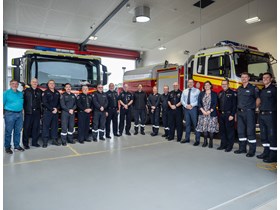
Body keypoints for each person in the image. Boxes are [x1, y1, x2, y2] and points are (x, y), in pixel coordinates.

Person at [234, 72, 260, 157]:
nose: (244, 79)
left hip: (249, 112)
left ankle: (252, 151)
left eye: (245, 77)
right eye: (242, 77)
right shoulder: (239, 88)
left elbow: (258, 99)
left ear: (248, 78)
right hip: (240, 112)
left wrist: (254, 108)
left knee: (250, 131)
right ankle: (242, 148)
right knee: (240, 131)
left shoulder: (253, 88)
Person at [257, 73, 277, 163]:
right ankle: (266, 152)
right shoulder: (262, 90)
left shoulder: (274, 89)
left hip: (271, 115)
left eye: (267, 77)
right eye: (263, 78)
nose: (265, 79)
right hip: (262, 115)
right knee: (264, 134)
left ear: (271, 79)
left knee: (272, 135)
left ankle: (273, 155)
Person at [4, 79, 25, 154]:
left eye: (16, 84)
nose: (15, 85)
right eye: (13, 83)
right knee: (8, 131)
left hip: (19, 114)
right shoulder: (6, 93)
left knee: (18, 131)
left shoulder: (20, 93)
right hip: (10, 114)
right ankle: (7, 147)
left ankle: (16, 145)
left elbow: (22, 103)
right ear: (10, 84)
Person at [196, 81, 219, 148]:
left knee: (211, 129)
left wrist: (209, 111)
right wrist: (203, 111)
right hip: (202, 114)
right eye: (205, 85)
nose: (207, 86)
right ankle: (205, 141)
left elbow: (215, 104)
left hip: (211, 114)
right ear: (204, 86)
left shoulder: (214, 94)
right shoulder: (201, 93)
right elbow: (199, 103)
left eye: (208, 85)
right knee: (204, 129)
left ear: (210, 86)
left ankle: (211, 141)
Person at [22, 78, 42, 149]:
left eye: (36, 82)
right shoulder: (26, 91)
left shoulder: (40, 91)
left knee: (36, 128)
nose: (35, 83)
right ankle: (25, 144)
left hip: (37, 112)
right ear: (30, 83)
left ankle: (34, 142)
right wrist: (24, 110)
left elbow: (41, 102)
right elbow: (23, 102)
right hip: (28, 112)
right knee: (27, 128)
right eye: (33, 82)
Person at [217, 79, 237, 152]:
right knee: (222, 131)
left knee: (230, 131)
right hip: (221, 115)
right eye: (223, 84)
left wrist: (232, 115)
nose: (224, 85)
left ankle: (229, 146)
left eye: (225, 84)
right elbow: (218, 104)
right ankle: (223, 145)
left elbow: (235, 105)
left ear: (228, 85)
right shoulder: (220, 93)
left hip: (229, 115)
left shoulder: (233, 93)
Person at [180, 79, 201, 145]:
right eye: (189, 82)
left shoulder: (197, 91)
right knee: (187, 124)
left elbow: (199, 100)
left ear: (193, 83)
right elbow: (182, 100)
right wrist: (186, 105)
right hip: (186, 109)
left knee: (195, 124)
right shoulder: (184, 91)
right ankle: (187, 139)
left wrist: (192, 105)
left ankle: (197, 140)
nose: (190, 83)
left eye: (191, 82)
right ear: (187, 83)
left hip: (193, 109)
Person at [42, 80, 60, 148]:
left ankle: (54, 140)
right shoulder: (45, 92)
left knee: (55, 126)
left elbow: (59, 103)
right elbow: (45, 103)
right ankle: (45, 142)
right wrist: (52, 109)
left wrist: (57, 109)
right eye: (50, 83)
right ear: (48, 85)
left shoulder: (57, 93)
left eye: (53, 83)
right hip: (48, 112)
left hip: (55, 112)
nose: (52, 84)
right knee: (46, 127)